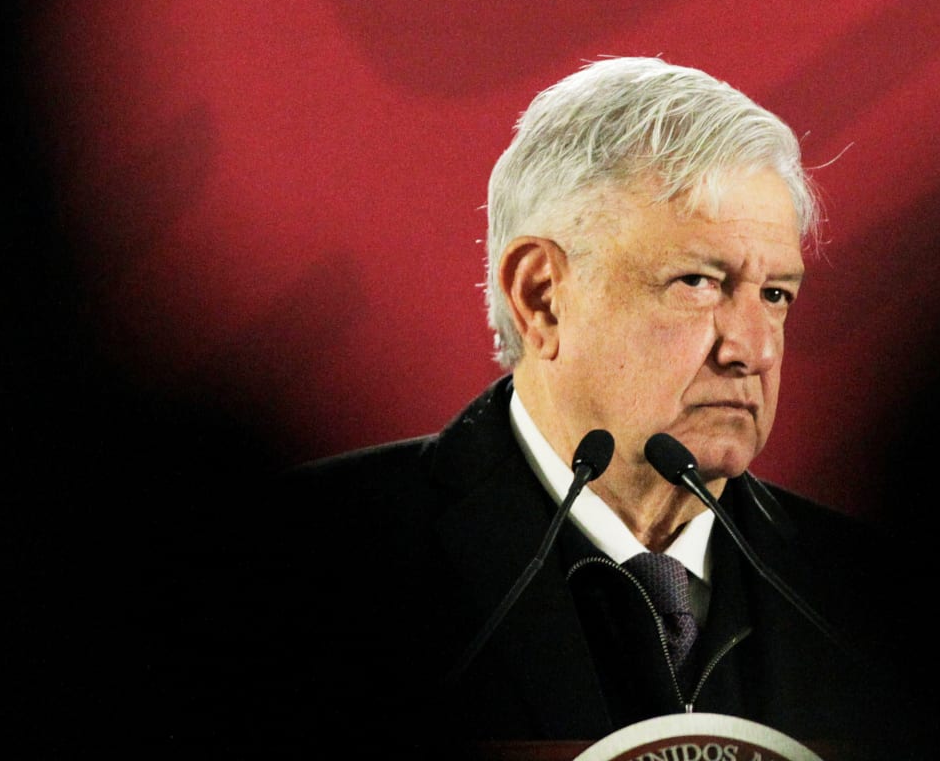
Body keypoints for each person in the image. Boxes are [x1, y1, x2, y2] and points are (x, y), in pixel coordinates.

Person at [251, 58, 905, 752]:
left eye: (775, 295)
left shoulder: (877, 600)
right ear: (542, 296)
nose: (754, 350)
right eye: (698, 282)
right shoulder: (314, 560)